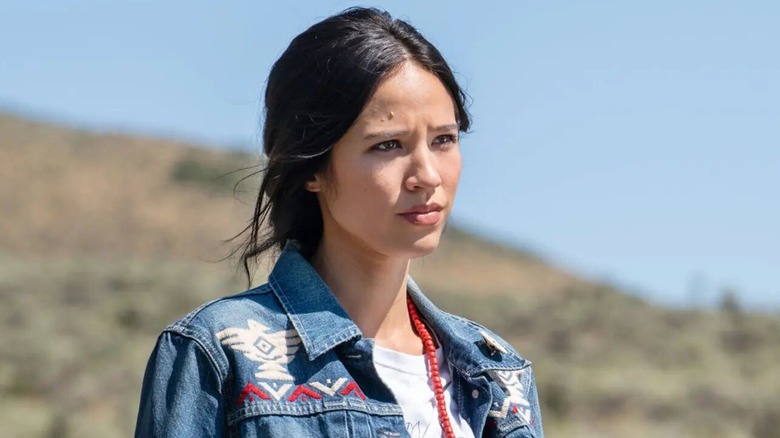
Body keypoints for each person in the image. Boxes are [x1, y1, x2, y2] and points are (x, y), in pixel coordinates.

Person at [135, 7, 544, 438]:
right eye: (388, 145)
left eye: (444, 139)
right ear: (311, 167)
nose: (427, 174)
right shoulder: (218, 353)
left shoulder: (499, 374)